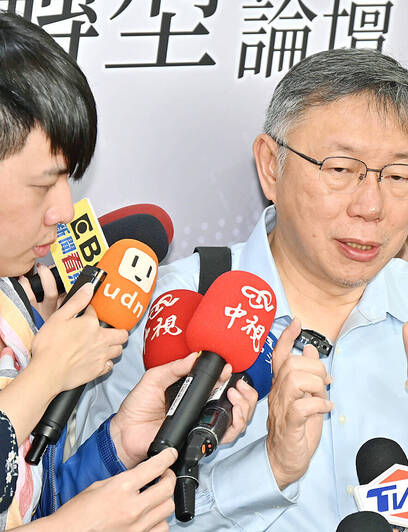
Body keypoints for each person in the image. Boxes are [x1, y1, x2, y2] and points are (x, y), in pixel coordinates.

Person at [75, 47, 408, 531]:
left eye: (401, 176)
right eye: (341, 169)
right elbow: (90, 516)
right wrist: (267, 467)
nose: (371, 206)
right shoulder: (170, 311)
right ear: (270, 166)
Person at [0, 11, 256, 529]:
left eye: (69, 179)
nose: (64, 210)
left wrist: (120, 444)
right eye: (41, 184)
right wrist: (50, 372)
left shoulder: (13, 305)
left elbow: (25, 496)